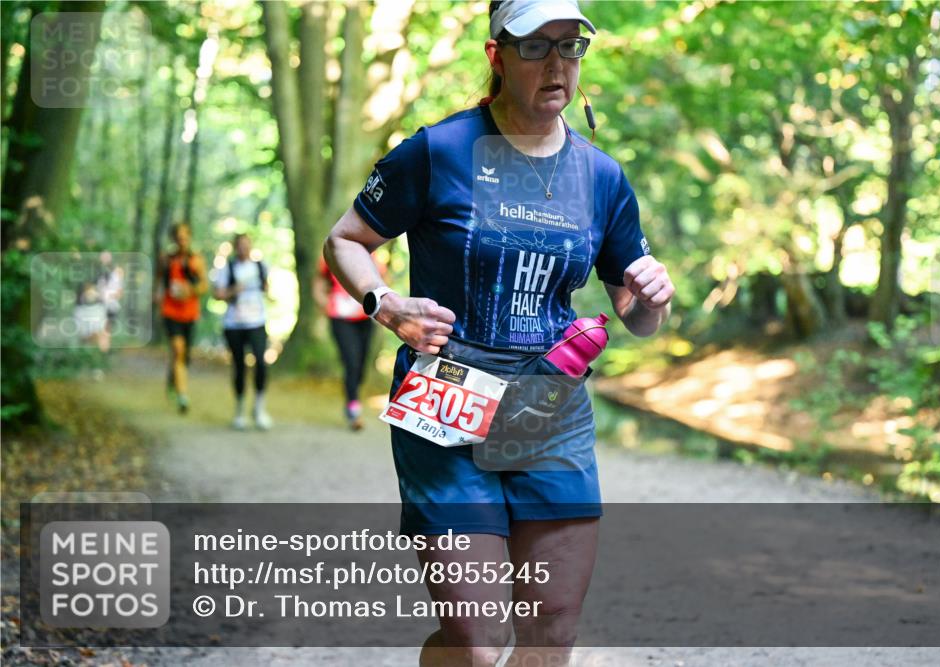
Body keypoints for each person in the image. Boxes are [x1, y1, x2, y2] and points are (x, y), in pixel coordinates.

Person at [323, 1, 675, 664]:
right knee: (478, 641)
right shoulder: (438, 151)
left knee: (552, 627)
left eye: (570, 47)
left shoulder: (601, 177)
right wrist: (386, 304)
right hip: (446, 400)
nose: (556, 63)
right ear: (496, 57)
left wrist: (652, 294)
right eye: (536, 46)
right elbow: (345, 240)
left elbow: (636, 311)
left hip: (551, 406)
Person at [312, 254, 385, 430]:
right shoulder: (332, 254)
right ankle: (353, 408)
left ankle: (353, 394)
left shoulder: (373, 256)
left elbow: (384, 281)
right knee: (351, 362)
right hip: (340, 317)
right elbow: (319, 280)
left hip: (365, 317)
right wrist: (323, 302)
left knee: (360, 365)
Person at [213, 233, 272, 430]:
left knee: (261, 364)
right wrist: (233, 291)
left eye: (247, 245)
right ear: (235, 248)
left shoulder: (260, 266)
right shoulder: (227, 268)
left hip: (257, 322)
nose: (244, 249)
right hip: (234, 324)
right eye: (240, 245)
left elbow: (267, 289)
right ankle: (239, 411)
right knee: (239, 366)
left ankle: (259, 407)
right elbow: (218, 294)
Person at [157, 222, 207, 414]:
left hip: (190, 313)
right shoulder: (167, 259)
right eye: (178, 237)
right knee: (177, 350)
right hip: (170, 312)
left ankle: (173, 381)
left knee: (183, 356)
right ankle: (183, 396)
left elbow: (204, 286)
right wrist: (157, 296)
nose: (182, 240)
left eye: (185, 236)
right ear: (174, 239)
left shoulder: (196, 260)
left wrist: (190, 290)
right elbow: (160, 281)